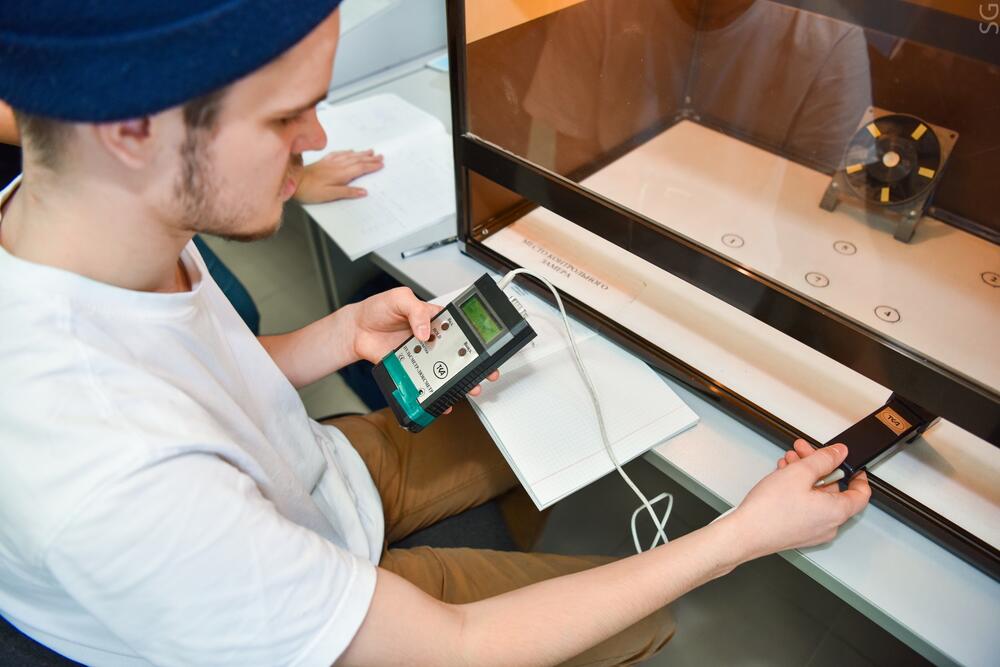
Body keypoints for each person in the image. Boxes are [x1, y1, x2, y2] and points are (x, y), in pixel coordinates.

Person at [0, 2, 870, 666]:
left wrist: (340, 334)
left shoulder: (89, 216)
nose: (316, 138)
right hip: (333, 588)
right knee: (643, 619)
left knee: (560, 392)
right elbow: (457, 643)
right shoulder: (113, 483)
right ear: (132, 126)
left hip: (315, 472)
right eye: (284, 117)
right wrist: (738, 538)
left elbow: (192, 372)